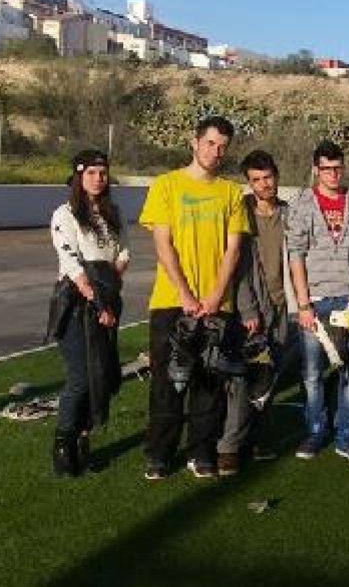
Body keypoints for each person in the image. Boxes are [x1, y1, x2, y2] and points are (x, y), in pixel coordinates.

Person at [139, 115, 248, 480]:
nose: (215, 152)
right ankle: (159, 454)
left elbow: (233, 250)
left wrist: (216, 295)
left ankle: (201, 452)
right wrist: (186, 294)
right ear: (195, 142)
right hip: (172, 302)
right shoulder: (166, 186)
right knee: (167, 383)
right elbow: (162, 243)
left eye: (222, 147)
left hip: (219, 305)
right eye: (210, 143)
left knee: (210, 384)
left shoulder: (232, 193)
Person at [287, 140, 349, 464]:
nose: (334, 173)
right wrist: (303, 304)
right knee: (312, 374)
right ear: (316, 169)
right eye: (327, 168)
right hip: (316, 301)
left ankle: (346, 436)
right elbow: (295, 255)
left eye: (338, 167)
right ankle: (315, 431)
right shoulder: (301, 204)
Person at [47, 149, 129, 476]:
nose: (98, 178)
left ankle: (83, 438)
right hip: (76, 305)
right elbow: (72, 266)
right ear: (79, 176)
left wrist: (110, 290)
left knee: (103, 377)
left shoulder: (114, 213)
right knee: (81, 376)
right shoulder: (64, 215)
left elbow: (123, 253)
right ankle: (63, 443)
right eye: (91, 173)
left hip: (106, 299)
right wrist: (99, 304)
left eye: (103, 173)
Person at [217, 149, 296, 475]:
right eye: (256, 180)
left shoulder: (289, 213)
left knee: (270, 377)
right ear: (248, 183)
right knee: (242, 381)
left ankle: (257, 438)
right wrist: (248, 309)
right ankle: (229, 446)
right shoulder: (241, 213)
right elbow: (238, 267)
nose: (264, 184)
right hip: (251, 309)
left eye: (268, 177)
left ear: (276, 176)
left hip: (281, 307)